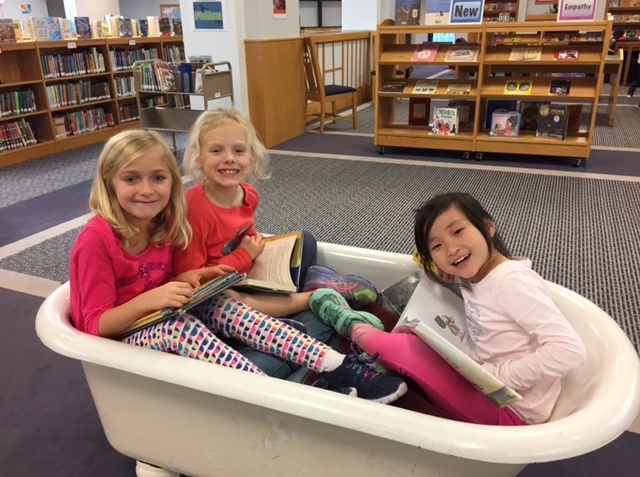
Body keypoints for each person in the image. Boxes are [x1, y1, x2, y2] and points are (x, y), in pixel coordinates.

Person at [68, 129, 408, 403]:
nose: (146, 190)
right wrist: (151, 299)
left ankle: (335, 367)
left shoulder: (161, 225)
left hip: (160, 316)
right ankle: (273, 395)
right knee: (181, 326)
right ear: (109, 183)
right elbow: (94, 325)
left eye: (158, 178)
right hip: (123, 341)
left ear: (172, 182)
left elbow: (164, 279)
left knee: (220, 302)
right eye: (131, 179)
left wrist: (192, 277)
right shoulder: (96, 240)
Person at [313, 192, 587, 425]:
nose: (452, 248)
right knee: (410, 333)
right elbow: (433, 259)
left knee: (400, 349)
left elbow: (569, 350)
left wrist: (501, 376)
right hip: (487, 379)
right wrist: (445, 267)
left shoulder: (510, 282)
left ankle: (349, 324)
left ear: (488, 227)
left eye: (458, 231)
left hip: (512, 408)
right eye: (438, 246)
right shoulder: (478, 275)